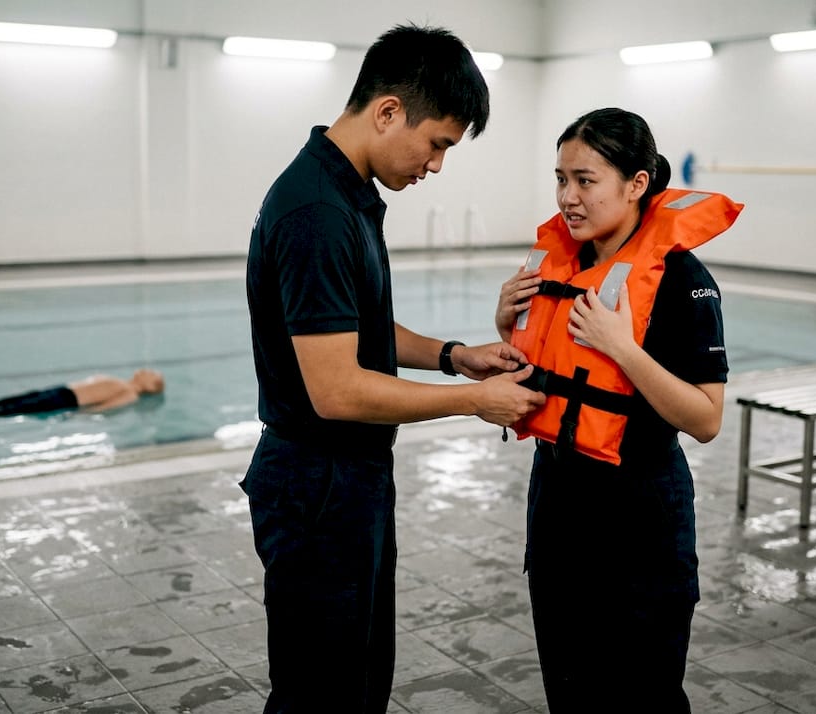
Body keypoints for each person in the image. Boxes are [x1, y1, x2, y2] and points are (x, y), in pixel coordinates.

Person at [241, 24, 545, 714]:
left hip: (345, 479)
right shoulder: (318, 211)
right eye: (437, 143)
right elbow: (337, 389)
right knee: (323, 694)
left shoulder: (342, 191)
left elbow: (360, 332)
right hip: (318, 483)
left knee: (357, 678)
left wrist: (454, 357)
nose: (437, 165)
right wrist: (473, 402)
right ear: (387, 111)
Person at [495, 108, 742, 711]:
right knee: (570, 686)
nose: (568, 198)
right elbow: (547, 369)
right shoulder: (560, 264)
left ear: (636, 184)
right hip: (557, 500)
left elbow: (706, 419)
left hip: (640, 514)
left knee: (642, 694)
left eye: (586, 180)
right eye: (560, 179)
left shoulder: (682, 279)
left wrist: (624, 350)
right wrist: (504, 325)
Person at [0, 368, 165, 421]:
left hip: (66, 400)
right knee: (9, 402)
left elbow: (107, 407)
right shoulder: (121, 381)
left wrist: (78, 415)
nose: (144, 370)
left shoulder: (130, 393)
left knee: (12, 409)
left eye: (150, 374)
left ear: (150, 387)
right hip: (62, 391)